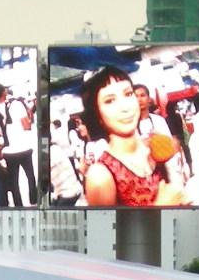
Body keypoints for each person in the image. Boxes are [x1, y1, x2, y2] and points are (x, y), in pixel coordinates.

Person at [79, 65, 189, 207]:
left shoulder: (153, 147)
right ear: (97, 114)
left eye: (128, 94)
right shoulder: (100, 176)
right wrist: (160, 207)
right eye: (109, 101)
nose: (125, 107)